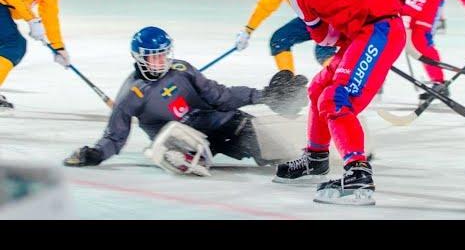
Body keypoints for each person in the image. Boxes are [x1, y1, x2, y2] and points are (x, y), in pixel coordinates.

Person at [272, 0, 405, 206]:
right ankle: (316, 157)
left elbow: (323, 37)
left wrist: (367, 38)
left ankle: (358, 175)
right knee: (319, 87)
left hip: (374, 33)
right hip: (378, 30)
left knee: (335, 98)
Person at [63, 26, 309, 174]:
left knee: (267, 141)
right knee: (171, 139)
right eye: (153, 57)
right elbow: (115, 136)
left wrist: (263, 95)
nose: (160, 61)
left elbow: (219, 96)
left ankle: (303, 157)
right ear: (139, 58)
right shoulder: (132, 93)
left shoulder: (182, 69)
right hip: (181, 140)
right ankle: (181, 158)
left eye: (163, 55)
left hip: (215, 124)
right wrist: (95, 153)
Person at [234, 0, 336, 74]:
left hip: (337, 17)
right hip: (311, 19)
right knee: (279, 40)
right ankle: (287, 81)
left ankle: (341, 79)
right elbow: (264, 6)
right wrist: (248, 30)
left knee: (323, 51)